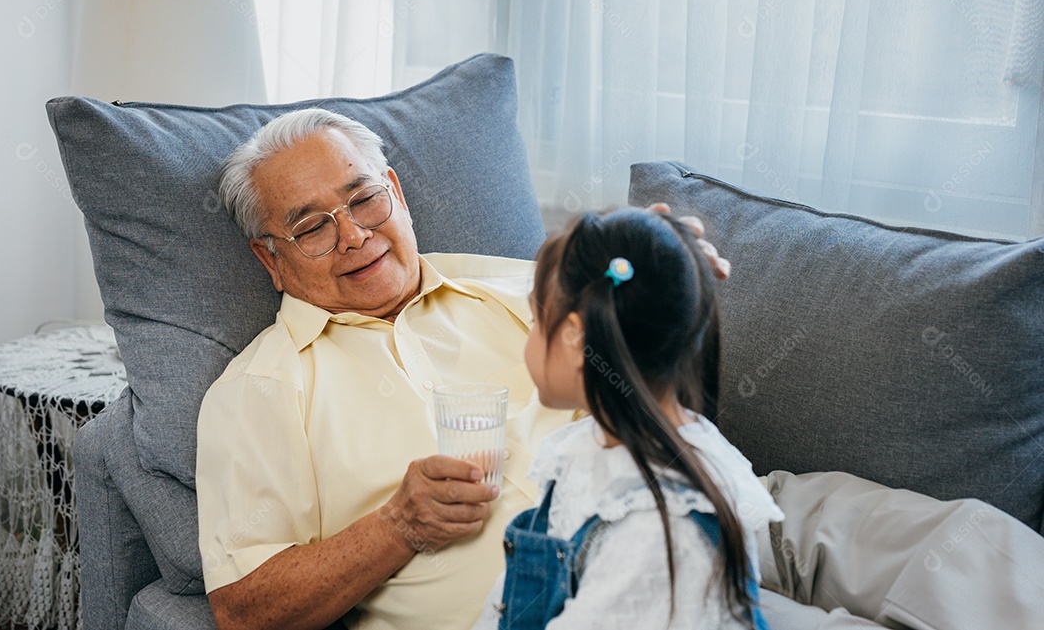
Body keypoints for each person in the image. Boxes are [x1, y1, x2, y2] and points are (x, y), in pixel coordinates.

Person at [197, 107, 1044, 630]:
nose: (355, 234)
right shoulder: (263, 391)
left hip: (737, 496)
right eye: (311, 226)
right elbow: (241, 607)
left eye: (363, 197)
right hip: (611, 588)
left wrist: (674, 268)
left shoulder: (517, 275)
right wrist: (397, 526)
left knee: (970, 547)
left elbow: (649, 328)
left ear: (396, 189)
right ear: (269, 259)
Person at [471, 208, 784, 629]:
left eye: (534, 321)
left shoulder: (657, 537)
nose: (528, 338)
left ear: (576, 338)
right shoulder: (593, 446)